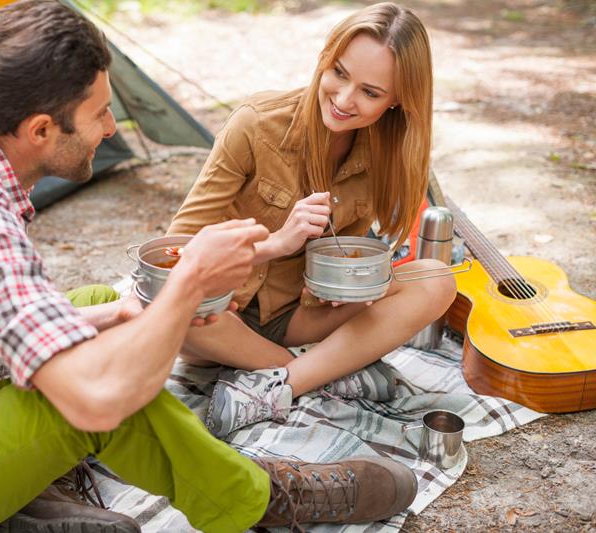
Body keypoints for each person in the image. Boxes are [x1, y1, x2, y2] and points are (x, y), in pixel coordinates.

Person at [0, 1, 418, 532]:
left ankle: (35, 491)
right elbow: (92, 398)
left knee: (106, 303)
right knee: (88, 394)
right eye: (98, 113)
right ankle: (260, 499)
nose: (111, 126)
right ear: (41, 129)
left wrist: (127, 312)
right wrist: (190, 285)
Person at [167, 2, 458, 438]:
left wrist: (347, 284)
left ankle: (283, 383)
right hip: (220, 317)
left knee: (437, 279)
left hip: (297, 318)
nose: (343, 100)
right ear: (325, 59)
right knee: (166, 303)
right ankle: (319, 373)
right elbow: (177, 247)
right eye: (339, 73)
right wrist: (276, 244)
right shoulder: (256, 124)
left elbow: (351, 256)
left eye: (370, 92)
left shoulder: (388, 154)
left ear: (398, 100)